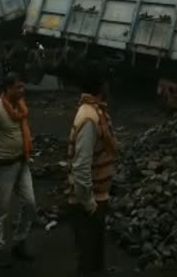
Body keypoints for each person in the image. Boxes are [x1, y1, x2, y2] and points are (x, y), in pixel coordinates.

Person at [0, 72, 36, 268]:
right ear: (7, 89)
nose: (23, 90)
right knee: (1, 208)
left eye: (22, 86)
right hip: (4, 166)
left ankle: (19, 242)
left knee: (30, 203)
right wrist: (0, 153)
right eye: (18, 87)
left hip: (22, 162)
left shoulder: (21, 106)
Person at [67, 66, 118, 275]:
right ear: (101, 86)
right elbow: (80, 167)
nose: (110, 86)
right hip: (88, 203)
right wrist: (90, 206)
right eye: (107, 82)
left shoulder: (95, 110)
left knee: (95, 258)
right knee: (88, 262)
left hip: (97, 197)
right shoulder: (89, 117)